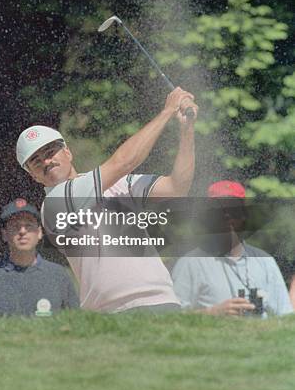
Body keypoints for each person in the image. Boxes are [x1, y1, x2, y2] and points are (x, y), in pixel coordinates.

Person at [16, 86, 198, 313]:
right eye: (36, 160)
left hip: (162, 301)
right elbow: (123, 163)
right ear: (32, 174)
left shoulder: (118, 184)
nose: (46, 161)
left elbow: (176, 187)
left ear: (67, 152)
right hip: (112, 313)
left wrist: (186, 130)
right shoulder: (55, 203)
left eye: (50, 151)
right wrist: (167, 111)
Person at [171, 180, 293, 317]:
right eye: (220, 210)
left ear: (244, 215)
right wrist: (212, 313)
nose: (227, 215)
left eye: (233, 209)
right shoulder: (190, 263)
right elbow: (172, 319)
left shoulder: (265, 261)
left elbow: (285, 316)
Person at [0, 198, 79, 319]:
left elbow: (76, 324)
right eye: (15, 226)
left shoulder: (58, 276)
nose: (22, 231)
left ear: (39, 233)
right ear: (4, 234)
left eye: (29, 225)